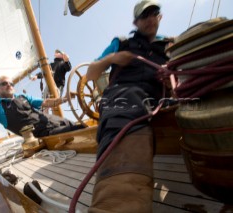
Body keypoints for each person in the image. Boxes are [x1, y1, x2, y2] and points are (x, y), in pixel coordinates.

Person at [86, 0, 173, 212]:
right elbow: (91, 73)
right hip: (123, 94)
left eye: (155, 13)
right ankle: (116, 203)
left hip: (160, 98)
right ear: (135, 22)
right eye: (145, 15)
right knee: (127, 103)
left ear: (160, 17)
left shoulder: (170, 45)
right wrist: (113, 58)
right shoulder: (121, 42)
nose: (151, 18)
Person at [0, 75, 84, 166]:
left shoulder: (22, 96)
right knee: (79, 129)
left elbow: (46, 102)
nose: (8, 85)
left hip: (56, 121)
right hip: (45, 134)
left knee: (76, 125)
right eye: (4, 84)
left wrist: (65, 98)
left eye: (11, 84)